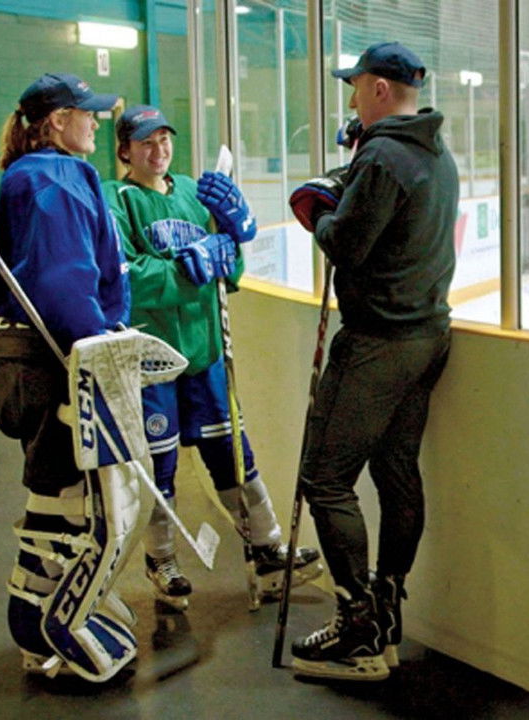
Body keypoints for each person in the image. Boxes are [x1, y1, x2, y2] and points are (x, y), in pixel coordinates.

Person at [100, 104, 322, 610]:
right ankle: (162, 558)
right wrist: (187, 269)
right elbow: (126, 279)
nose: (158, 150)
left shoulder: (192, 195)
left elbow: (229, 271)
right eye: (145, 142)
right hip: (152, 360)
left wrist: (232, 246)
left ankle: (266, 549)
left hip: (205, 354)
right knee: (160, 464)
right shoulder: (118, 201)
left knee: (232, 455)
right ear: (125, 150)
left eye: (164, 140)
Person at [287, 41, 458, 681]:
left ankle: (359, 629)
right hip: (426, 335)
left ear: (381, 89)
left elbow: (347, 246)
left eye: (355, 86)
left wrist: (322, 209)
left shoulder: (384, 156)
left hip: (378, 341)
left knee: (325, 478)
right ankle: (386, 608)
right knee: (394, 470)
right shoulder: (436, 153)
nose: (351, 97)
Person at [0, 72, 143, 681]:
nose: (96, 122)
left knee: (65, 484)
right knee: (64, 492)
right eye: (87, 114)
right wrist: (100, 346)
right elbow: (61, 281)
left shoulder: (49, 174)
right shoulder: (49, 179)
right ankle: (34, 619)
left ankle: (56, 604)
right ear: (56, 121)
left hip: (44, 355)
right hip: (53, 359)